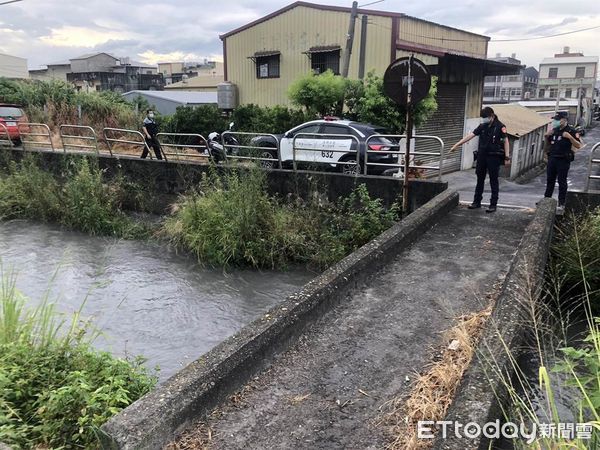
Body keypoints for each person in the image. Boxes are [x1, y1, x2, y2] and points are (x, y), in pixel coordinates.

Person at [450, 107, 511, 213]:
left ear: (491, 116)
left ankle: (493, 204)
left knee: (493, 180)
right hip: (482, 156)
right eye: (482, 118)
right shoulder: (483, 126)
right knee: (480, 179)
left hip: (494, 156)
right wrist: (457, 144)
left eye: (485, 117)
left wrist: (507, 157)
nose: (484, 119)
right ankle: (476, 202)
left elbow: (506, 142)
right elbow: (471, 135)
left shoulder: (500, 126)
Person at [542, 111, 582, 214]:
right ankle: (546, 200)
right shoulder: (554, 130)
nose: (555, 121)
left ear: (564, 120)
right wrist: (546, 137)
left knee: (562, 182)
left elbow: (578, 145)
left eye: (557, 119)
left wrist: (569, 137)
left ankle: (561, 203)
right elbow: (547, 146)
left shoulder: (571, 131)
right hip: (552, 159)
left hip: (563, 160)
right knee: (550, 180)